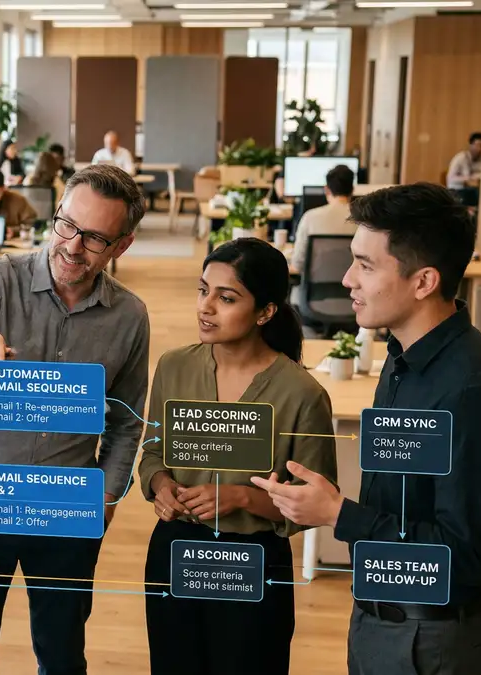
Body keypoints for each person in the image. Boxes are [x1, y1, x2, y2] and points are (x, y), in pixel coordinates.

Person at [251, 183, 481, 675]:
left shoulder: (473, 394)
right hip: (381, 617)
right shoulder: (402, 360)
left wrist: (340, 514)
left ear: (423, 281)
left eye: (365, 264)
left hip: (432, 637)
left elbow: (467, 558)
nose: (345, 280)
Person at [0, 164, 151, 675]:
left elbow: (126, 420)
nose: (72, 246)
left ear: (123, 245)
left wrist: (107, 500)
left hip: (66, 501)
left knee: (62, 653)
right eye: (67, 225)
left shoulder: (130, 316)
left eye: (94, 238)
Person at [139, 238, 337, 674]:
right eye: (202, 290)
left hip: (253, 560)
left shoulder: (302, 394)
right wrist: (161, 486)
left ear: (265, 312)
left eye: (226, 298)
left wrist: (241, 498)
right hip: (176, 550)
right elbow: (153, 454)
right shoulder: (173, 366)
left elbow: (314, 504)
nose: (206, 307)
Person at [290, 164, 357, 274]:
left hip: (313, 290)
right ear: (352, 189)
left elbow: (297, 266)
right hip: (352, 288)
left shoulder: (310, 217)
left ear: (326, 189)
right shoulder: (363, 219)